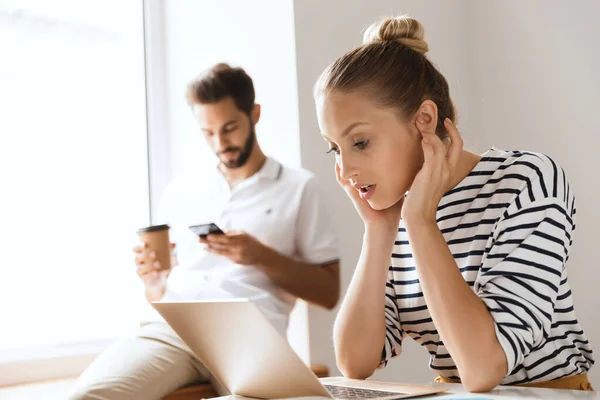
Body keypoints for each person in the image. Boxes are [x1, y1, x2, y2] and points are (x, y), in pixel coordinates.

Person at [314, 16, 594, 392]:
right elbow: (355, 362)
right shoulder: (396, 212)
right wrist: (378, 231)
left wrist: (421, 223)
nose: (345, 170)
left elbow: (483, 368)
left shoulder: (526, 180)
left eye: (360, 142)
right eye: (334, 148)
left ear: (424, 120)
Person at [69, 63, 340, 400]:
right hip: (176, 327)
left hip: (251, 337)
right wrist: (154, 282)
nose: (220, 142)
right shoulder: (180, 192)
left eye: (229, 128)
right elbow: (161, 293)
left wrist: (259, 256)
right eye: (208, 132)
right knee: (87, 396)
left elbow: (329, 292)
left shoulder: (300, 188)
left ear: (254, 114)